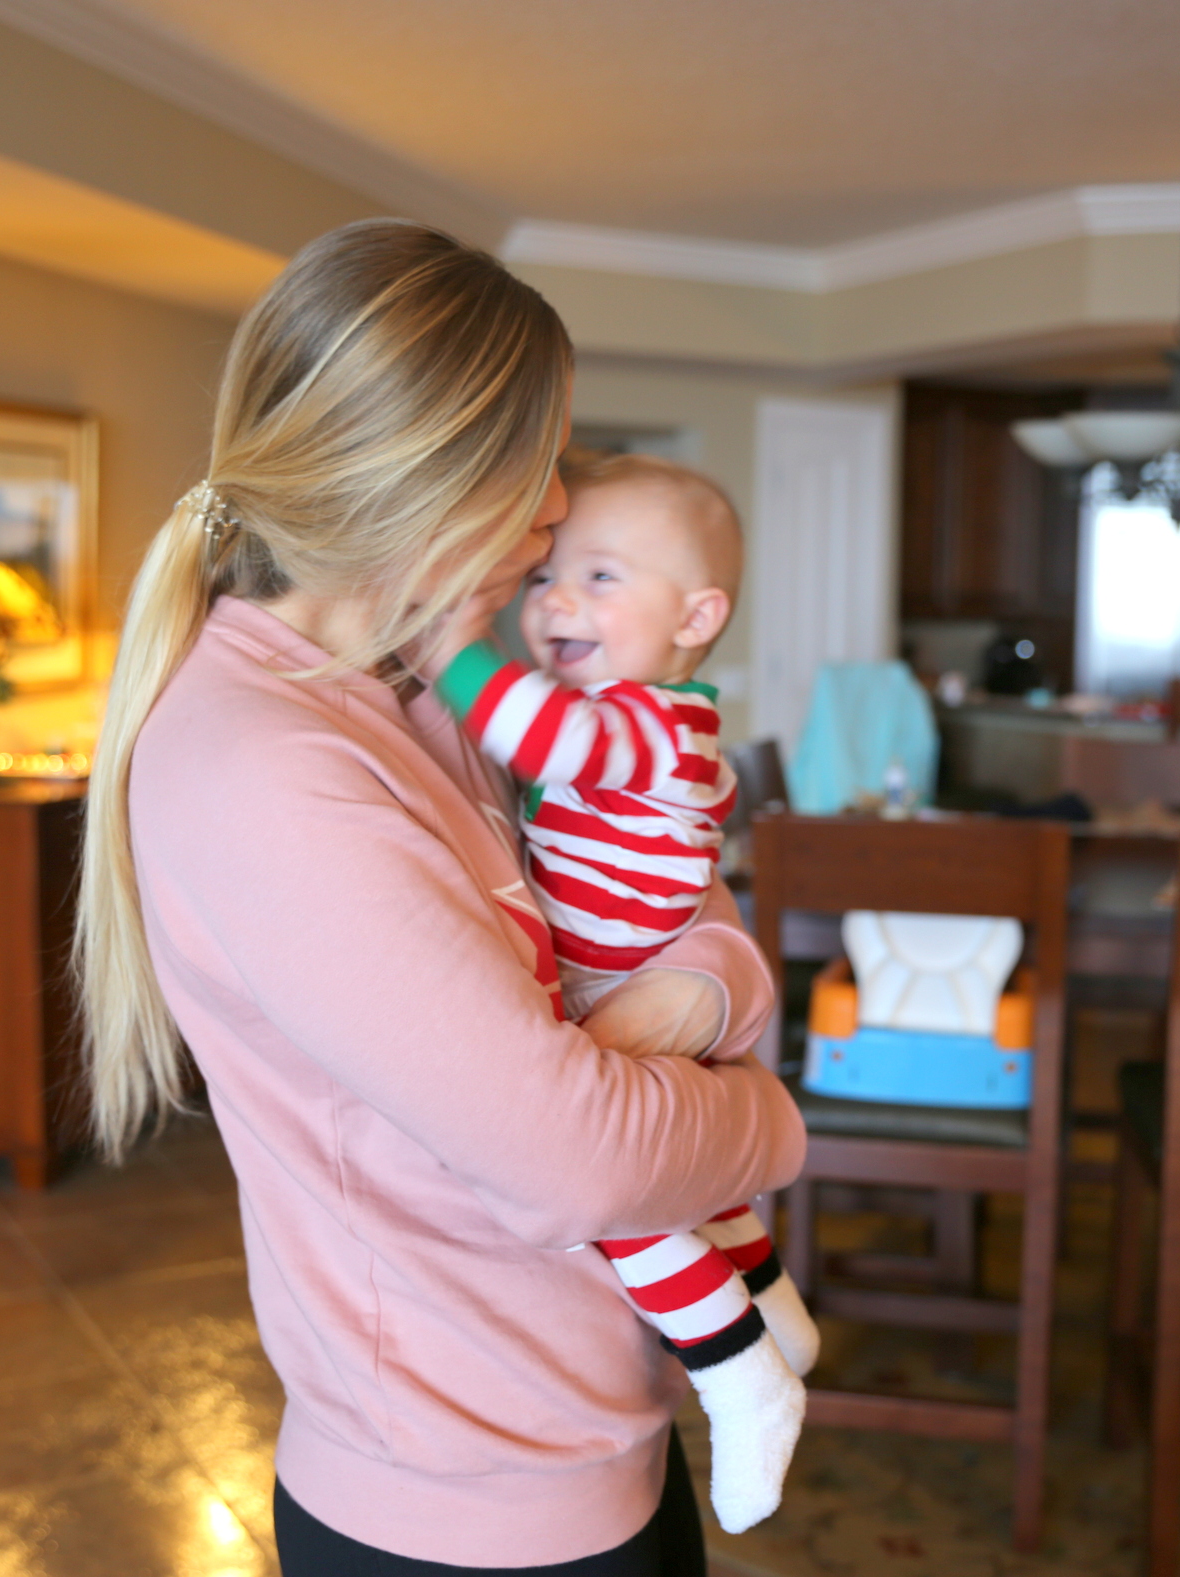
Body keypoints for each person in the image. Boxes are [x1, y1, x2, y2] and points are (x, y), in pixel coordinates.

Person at [75, 219, 807, 1574]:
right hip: (465, 1508)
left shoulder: (412, 695)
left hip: (599, 1436)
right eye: (539, 464)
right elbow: (578, 1160)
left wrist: (704, 995)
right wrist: (768, 1118)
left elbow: (668, 895)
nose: (557, 509)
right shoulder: (264, 765)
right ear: (431, 474)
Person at [428, 451, 819, 1534]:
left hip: (616, 985)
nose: (556, 601)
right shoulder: (665, 719)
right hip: (638, 974)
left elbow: (537, 733)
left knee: (614, 1207)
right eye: (547, 576)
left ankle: (740, 1373)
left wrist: (450, 642)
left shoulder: (642, 722)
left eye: (600, 578)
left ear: (697, 615)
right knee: (686, 1185)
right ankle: (775, 1304)